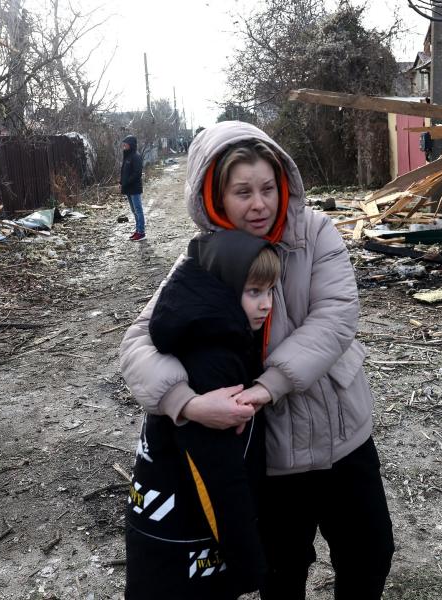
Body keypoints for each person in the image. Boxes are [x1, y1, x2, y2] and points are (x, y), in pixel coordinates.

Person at [120, 121, 394, 599]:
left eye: (267, 188)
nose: (259, 203)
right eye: (242, 192)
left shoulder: (314, 231)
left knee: (370, 553)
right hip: (271, 460)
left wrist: (268, 385)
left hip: (342, 434)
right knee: (281, 572)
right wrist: (185, 404)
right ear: (215, 196)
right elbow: (139, 342)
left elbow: (336, 314)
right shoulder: (203, 259)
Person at [125, 229, 279, 599]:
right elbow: (217, 476)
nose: (266, 305)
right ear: (223, 289)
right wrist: (248, 562)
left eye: (271, 291)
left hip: (157, 528)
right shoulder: (214, 362)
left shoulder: (191, 335)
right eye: (254, 291)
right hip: (185, 542)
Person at [121, 134, 145, 241]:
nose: (124, 146)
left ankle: (141, 232)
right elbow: (124, 171)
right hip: (128, 188)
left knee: (138, 210)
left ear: (130, 145)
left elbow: (137, 173)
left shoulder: (136, 156)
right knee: (134, 211)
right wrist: (121, 181)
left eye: (125, 144)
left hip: (134, 188)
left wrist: (127, 181)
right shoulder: (127, 156)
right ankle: (137, 230)